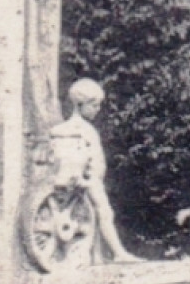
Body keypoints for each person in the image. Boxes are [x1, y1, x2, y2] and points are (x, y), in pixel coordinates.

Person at [48, 79, 137, 262]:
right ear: (80, 104)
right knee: (105, 212)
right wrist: (91, 178)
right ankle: (119, 253)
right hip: (89, 179)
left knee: (92, 215)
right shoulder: (86, 130)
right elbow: (92, 160)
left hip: (70, 179)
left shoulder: (59, 129)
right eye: (94, 105)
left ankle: (97, 256)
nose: (97, 109)